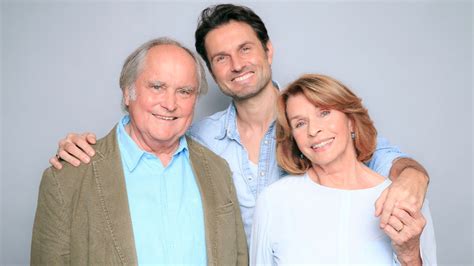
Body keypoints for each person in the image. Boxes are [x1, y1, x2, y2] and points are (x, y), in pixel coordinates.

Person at [48, 4, 430, 244]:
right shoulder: (195, 137)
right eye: (220, 57)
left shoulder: (311, 126)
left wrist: (414, 177)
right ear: (212, 73)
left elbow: (376, 156)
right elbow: (146, 132)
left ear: (268, 50)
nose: (237, 64)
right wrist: (88, 147)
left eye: (246, 49)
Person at [31, 38, 248, 265]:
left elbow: (238, 258)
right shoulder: (68, 177)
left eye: (184, 91)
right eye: (157, 87)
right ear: (127, 92)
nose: (170, 104)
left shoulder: (217, 170)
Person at [250, 74, 436, 265]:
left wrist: (410, 255)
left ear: (351, 120)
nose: (313, 130)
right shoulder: (274, 201)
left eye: (324, 113)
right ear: (294, 139)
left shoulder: (403, 198)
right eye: (300, 123)